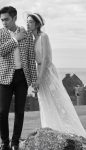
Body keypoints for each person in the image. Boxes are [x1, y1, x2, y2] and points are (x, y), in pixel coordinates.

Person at [27, 13, 86, 138]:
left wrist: (40, 79)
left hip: (47, 71)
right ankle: (50, 129)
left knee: (56, 100)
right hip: (39, 70)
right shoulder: (32, 39)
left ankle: (67, 132)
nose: (28, 24)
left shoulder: (44, 36)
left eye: (30, 22)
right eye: (27, 22)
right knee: (44, 101)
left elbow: (47, 59)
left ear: (37, 24)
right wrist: (34, 78)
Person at [0, 6, 37, 150]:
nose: (4, 22)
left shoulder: (26, 34)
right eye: (2, 20)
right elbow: (1, 51)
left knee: (19, 112)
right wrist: (15, 39)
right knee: (2, 112)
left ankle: (15, 143)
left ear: (14, 18)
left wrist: (34, 79)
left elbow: (30, 58)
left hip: (22, 77)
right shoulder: (1, 34)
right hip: (4, 78)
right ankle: (4, 143)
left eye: (6, 19)